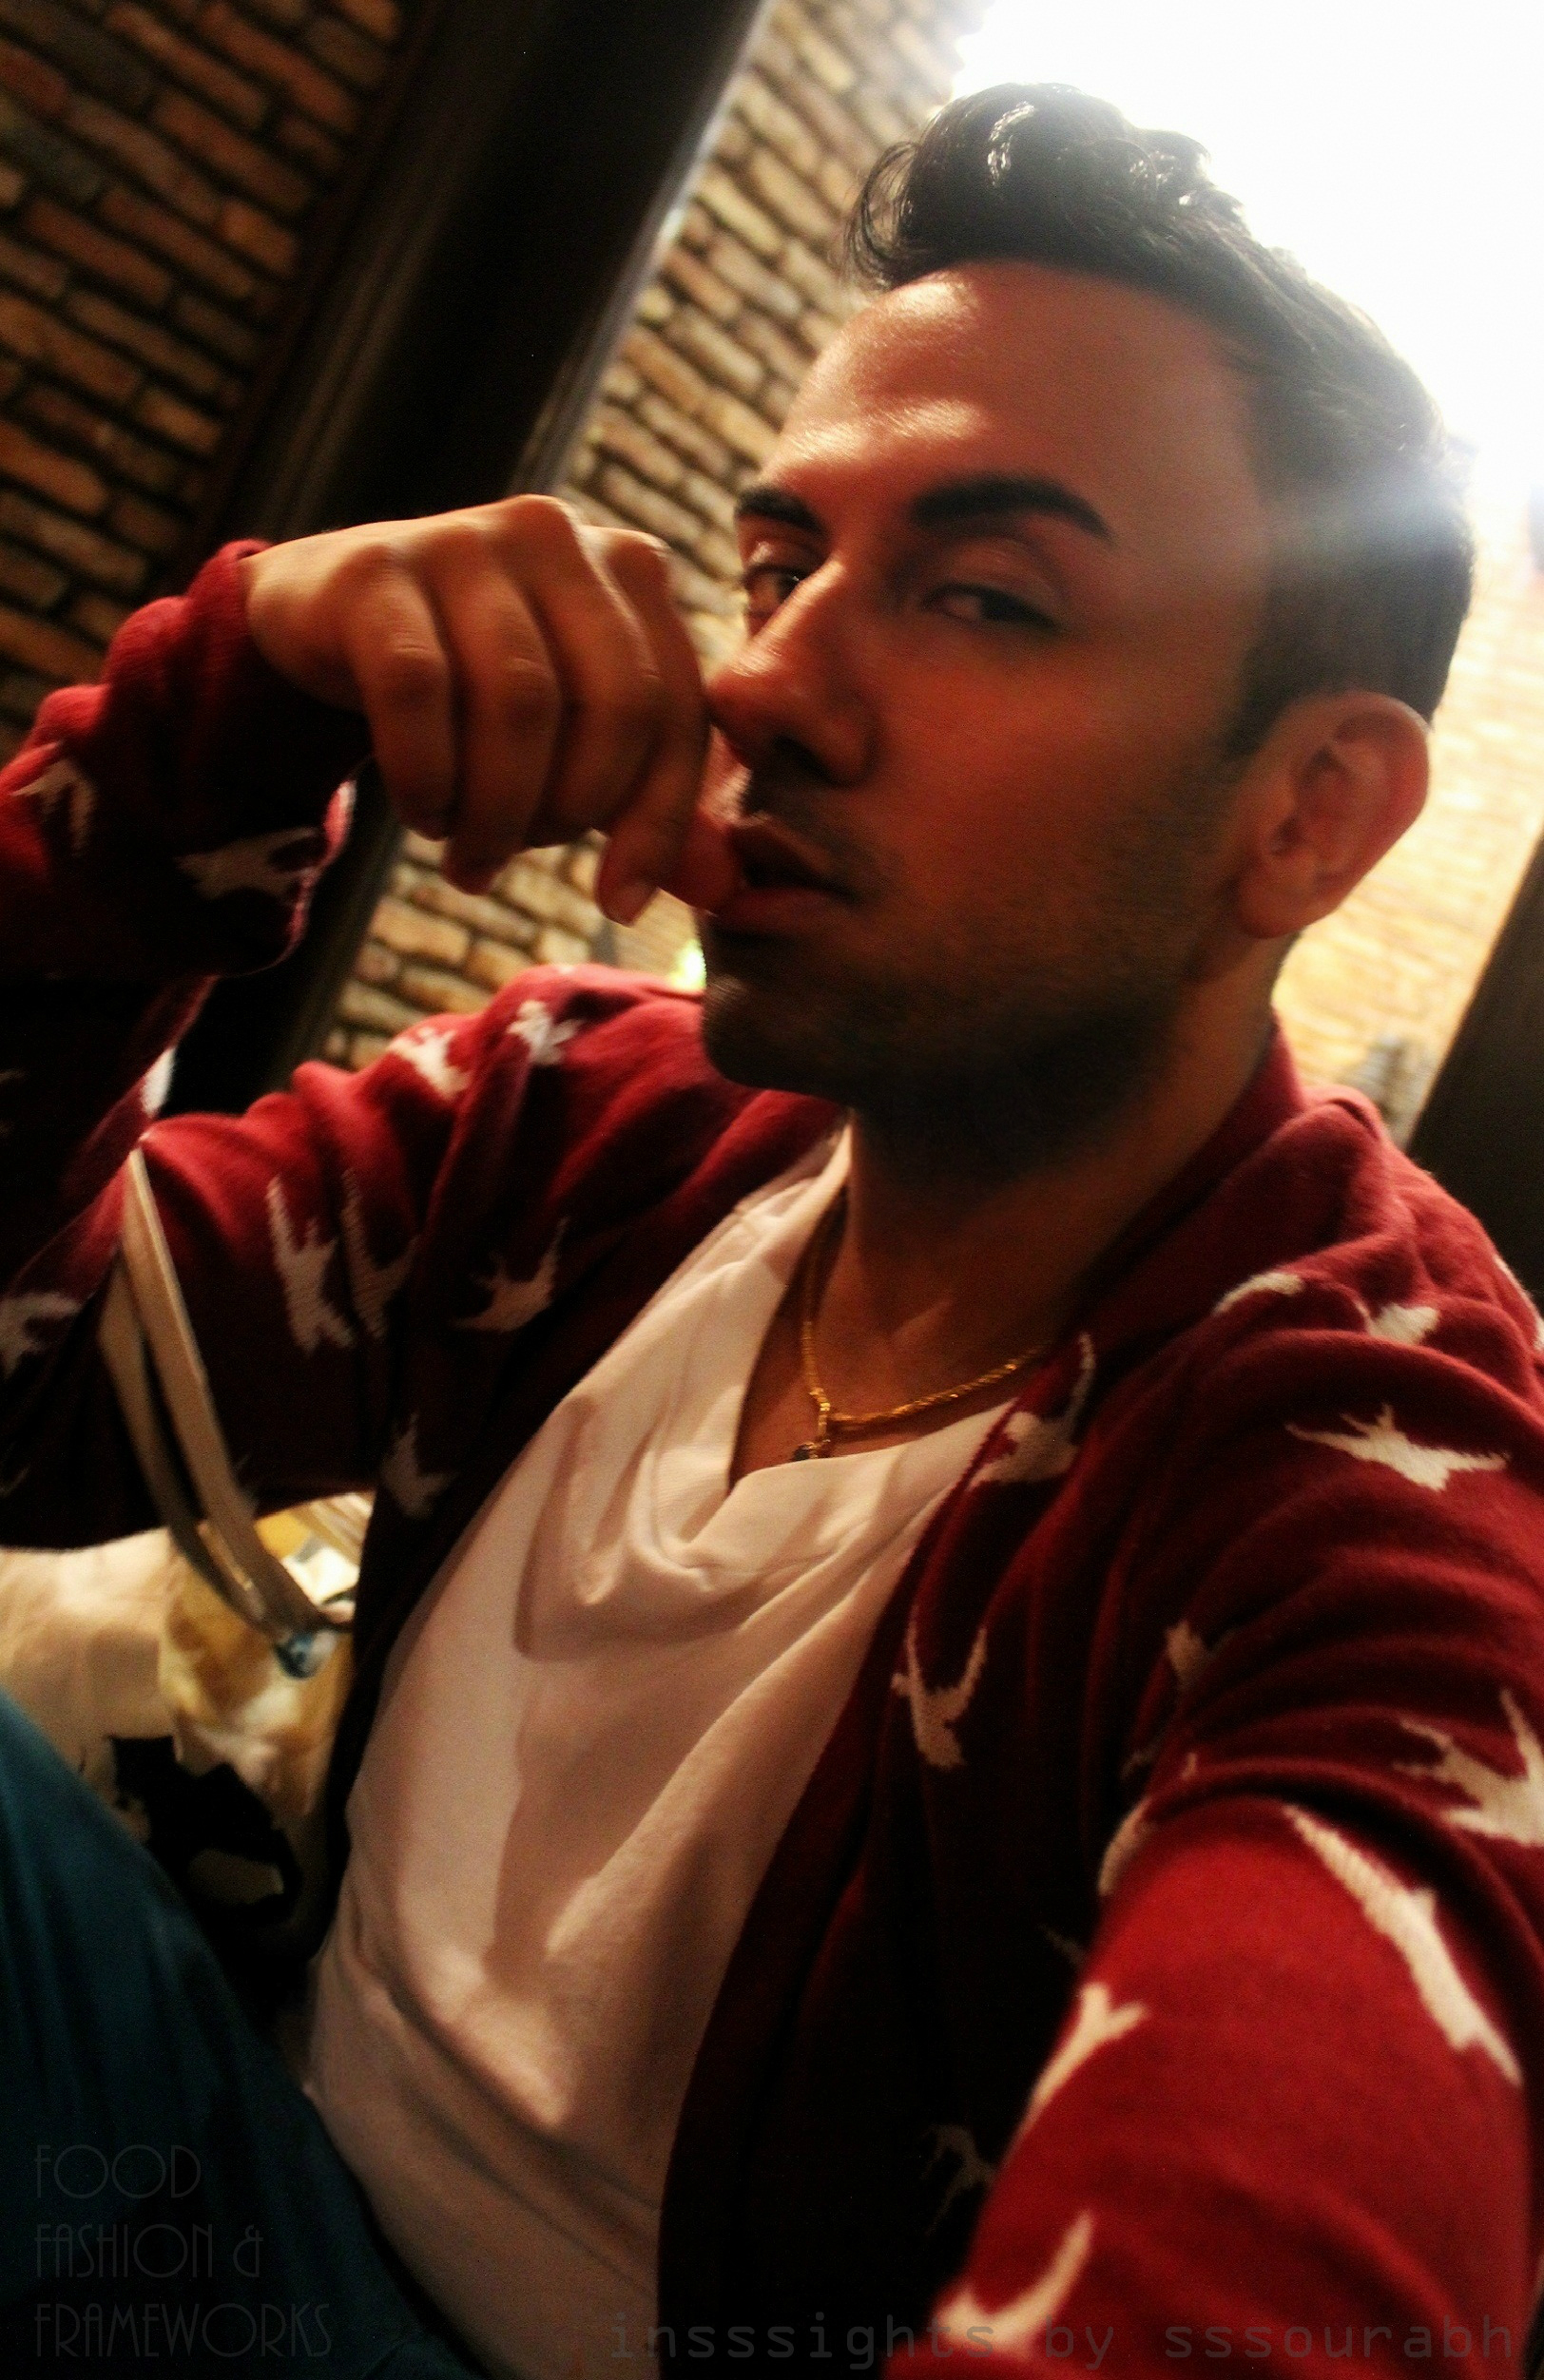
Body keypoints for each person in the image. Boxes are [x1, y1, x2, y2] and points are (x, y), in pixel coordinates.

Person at [1, 77, 1541, 2380]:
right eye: (775, 566)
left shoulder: (1353, 1455)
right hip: (219, 2186)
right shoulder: (574, 1128)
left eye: (984, 597)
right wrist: (221, 716)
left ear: (1307, 813)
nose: (762, 683)